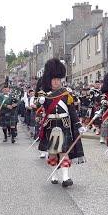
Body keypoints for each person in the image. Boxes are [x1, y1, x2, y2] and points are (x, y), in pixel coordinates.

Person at [36, 59, 86, 187]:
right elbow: (38, 108)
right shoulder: (44, 95)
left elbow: (72, 111)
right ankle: (54, 174)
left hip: (64, 125)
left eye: (58, 79)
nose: (56, 82)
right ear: (49, 80)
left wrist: (78, 125)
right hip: (51, 126)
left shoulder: (66, 94)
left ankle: (65, 177)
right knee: (53, 152)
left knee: (64, 151)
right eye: (54, 79)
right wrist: (41, 101)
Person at [0, 77, 20, 143]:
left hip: (11, 112)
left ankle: (13, 138)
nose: (6, 90)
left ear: (9, 89)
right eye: (4, 89)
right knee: (4, 126)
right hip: (4, 112)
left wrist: (15, 104)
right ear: (3, 89)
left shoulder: (12, 95)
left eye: (7, 88)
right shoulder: (0, 96)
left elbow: (18, 101)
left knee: (12, 125)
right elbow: (0, 102)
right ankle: (5, 137)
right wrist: (7, 106)